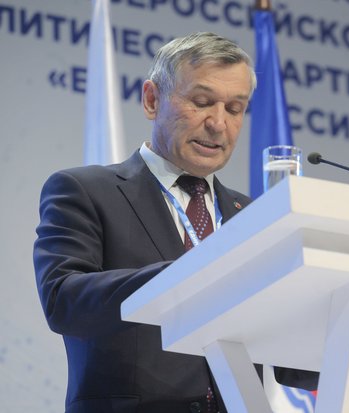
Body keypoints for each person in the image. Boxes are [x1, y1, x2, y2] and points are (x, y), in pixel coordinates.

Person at [33, 32, 317, 413]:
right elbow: (63, 300)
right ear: (152, 100)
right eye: (202, 102)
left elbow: (290, 358)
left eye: (235, 109)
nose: (219, 123)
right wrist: (187, 276)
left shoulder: (253, 216)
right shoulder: (85, 191)